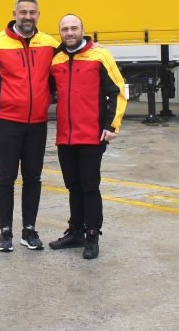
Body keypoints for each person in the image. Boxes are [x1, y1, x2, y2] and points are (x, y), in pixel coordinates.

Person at [0, 0, 59, 252]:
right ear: (14, 14)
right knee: (6, 178)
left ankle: (29, 231)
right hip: (7, 123)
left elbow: (70, 61)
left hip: (37, 124)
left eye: (32, 12)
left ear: (38, 15)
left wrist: (93, 47)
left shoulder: (49, 44)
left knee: (33, 178)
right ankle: (5, 232)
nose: (28, 17)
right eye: (23, 12)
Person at [47, 13, 127, 260]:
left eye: (74, 28)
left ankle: (92, 235)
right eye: (65, 29)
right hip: (65, 137)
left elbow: (117, 91)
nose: (69, 33)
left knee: (90, 187)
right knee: (73, 187)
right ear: (60, 33)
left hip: (92, 135)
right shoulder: (56, 59)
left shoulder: (99, 56)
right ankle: (76, 232)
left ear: (82, 30)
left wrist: (112, 125)